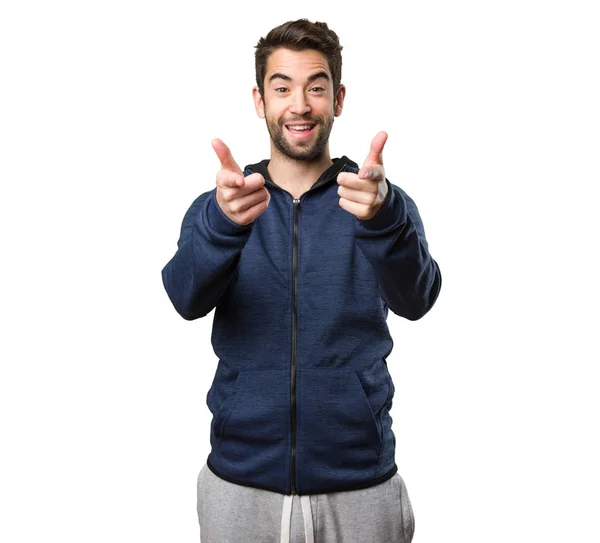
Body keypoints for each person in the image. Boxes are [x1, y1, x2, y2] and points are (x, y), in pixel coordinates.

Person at [161, 18, 442, 543]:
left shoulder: (376, 201)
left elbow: (418, 297)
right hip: (239, 485)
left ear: (337, 98)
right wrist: (223, 227)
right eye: (282, 87)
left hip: (360, 487)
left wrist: (384, 222)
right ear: (259, 99)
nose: (299, 104)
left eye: (315, 87)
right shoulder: (222, 205)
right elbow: (184, 297)